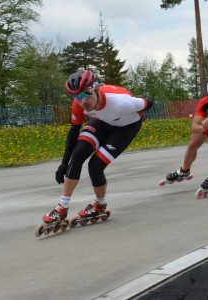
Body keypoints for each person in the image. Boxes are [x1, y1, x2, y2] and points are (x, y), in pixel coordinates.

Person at [40, 69, 153, 227]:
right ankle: (62, 207)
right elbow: (73, 132)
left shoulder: (122, 102)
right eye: (77, 96)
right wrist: (64, 164)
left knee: (95, 166)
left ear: (96, 88)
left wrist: (134, 115)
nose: (82, 100)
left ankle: (100, 204)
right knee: (78, 154)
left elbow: (149, 102)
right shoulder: (79, 105)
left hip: (126, 127)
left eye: (86, 94)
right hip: (102, 122)